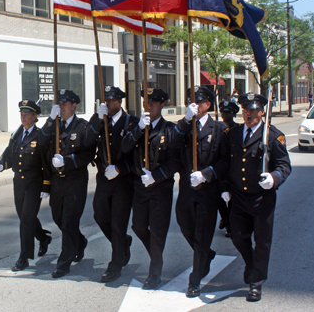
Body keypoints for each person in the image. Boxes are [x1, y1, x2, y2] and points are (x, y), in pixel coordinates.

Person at [222, 92, 291, 302]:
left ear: (262, 112)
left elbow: (284, 165)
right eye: (245, 109)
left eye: (253, 110)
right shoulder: (232, 134)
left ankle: (256, 282)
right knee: (238, 236)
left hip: (262, 198)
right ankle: (251, 264)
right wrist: (224, 187)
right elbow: (226, 163)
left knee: (262, 242)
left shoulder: (272, 135)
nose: (248, 114)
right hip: (239, 197)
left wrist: (274, 177)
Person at [121, 88, 181, 290]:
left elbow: (175, 162)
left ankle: (155, 271)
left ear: (163, 105)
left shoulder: (169, 130)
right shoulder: (137, 126)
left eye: (155, 102)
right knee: (138, 226)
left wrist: (155, 177)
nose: (150, 105)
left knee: (157, 231)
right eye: (147, 102)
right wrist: (138, 128)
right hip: (139, 186)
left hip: (160, 187)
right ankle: (156, 254)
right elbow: (125, 147)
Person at [173, 86, 230, 298]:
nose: (194, 105)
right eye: (191, 101)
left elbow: (225, 160)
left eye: (199, 101)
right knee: (184, 225)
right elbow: (172, 144)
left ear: (208, 105)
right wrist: (185, 120)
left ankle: (195, 279)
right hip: (187, 189)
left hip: (208, 190)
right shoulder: (185, 126)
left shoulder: (219, 129)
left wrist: (207, 173)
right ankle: (207, 255)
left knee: (202, 234)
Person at [38, 89, 95, 278]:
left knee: (69, 221)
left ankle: (64, 262)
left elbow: (87, 154)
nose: (61, 107)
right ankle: (80, 242)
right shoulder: (54, 125)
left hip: (75, 181)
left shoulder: (82, 127)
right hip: (57, 181)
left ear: (74, 105)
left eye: (65, 104)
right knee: (58, 218)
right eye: (59, 103)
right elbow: (41, 142)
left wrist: (67, 161)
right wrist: (49, 120)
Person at [84, 86, 137, 283]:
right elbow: (87, 141)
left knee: (118, 223)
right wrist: (98, 120)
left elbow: (136, 157)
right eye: (105, 100)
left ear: (120, 102)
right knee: (100, 216)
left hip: (123, 181)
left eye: (111, 100)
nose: (107, 103)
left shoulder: (132, 123)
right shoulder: (98, 120)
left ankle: (115, 265)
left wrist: (120, 168)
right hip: (103, 179)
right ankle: (123, 242)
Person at [0, 100, 52, 272]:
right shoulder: (17, 135)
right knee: (24, 217)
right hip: (18, 182)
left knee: (26, 220)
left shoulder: (40, 136)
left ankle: (24, 257)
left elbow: (46, 162)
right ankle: (43, 237)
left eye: (26, 114)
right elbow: (11, 154)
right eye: (21, 114)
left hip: (34, 182)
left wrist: (46, 185)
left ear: (35, 117)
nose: (23, 116)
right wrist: (2, 164)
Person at [217, 100, 240, 238]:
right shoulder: (217, 127)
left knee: (231, 199)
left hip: (232, 167)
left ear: (234, 114)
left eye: (228, 112)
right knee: (219, 199)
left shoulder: (237, 129)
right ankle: (225, 218)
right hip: (220, 167)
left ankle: (230, 225)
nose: (225, 115)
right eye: (223, 112)